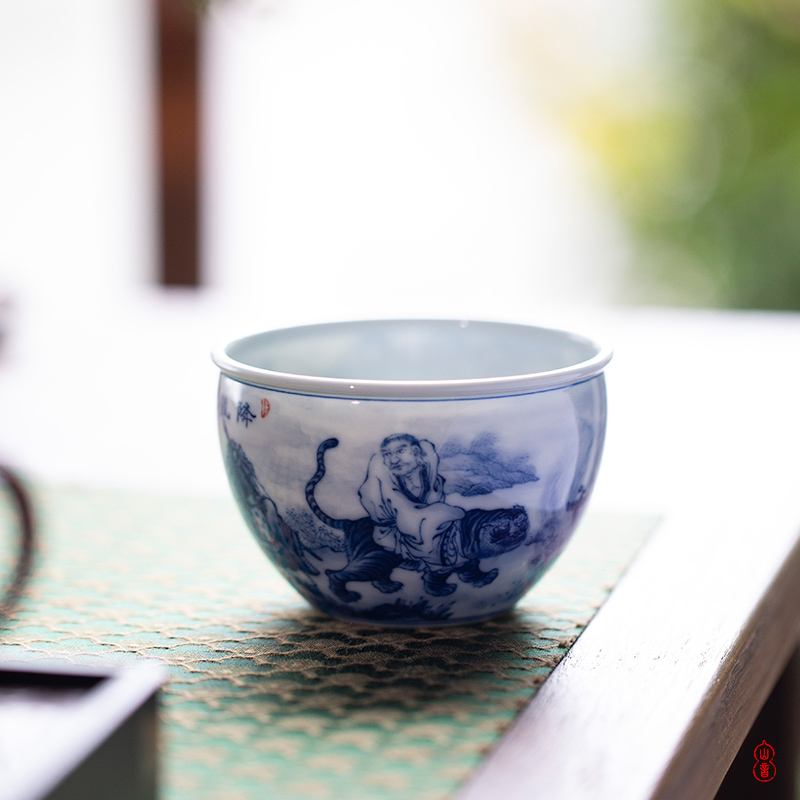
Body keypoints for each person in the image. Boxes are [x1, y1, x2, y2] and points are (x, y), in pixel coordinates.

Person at [358, 434, 465, 565]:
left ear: (415, 451)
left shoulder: (428, 471)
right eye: (387, 454)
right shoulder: (386, 484)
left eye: (400, 451)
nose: (393, 460)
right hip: (394, 534)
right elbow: (408, 521)